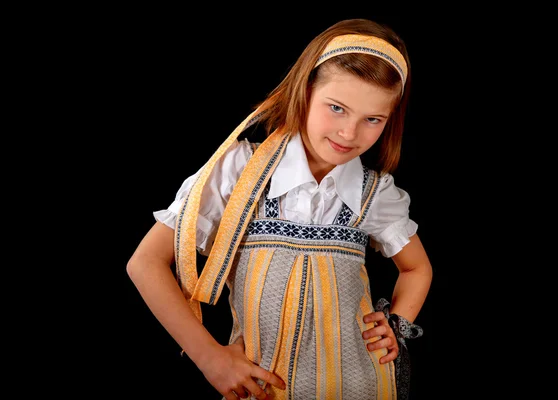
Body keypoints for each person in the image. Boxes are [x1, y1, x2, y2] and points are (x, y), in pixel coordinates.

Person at [127, 18, 433, 400]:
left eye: (372, 119)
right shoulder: (239, 171)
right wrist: (210, 359)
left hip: (363, 386)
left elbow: (417, 268)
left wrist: (396, 324)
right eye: (337, 108)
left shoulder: (375, 192)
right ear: (304, 91)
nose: (349, 133)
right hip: (266, 389)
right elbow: (145, 262)